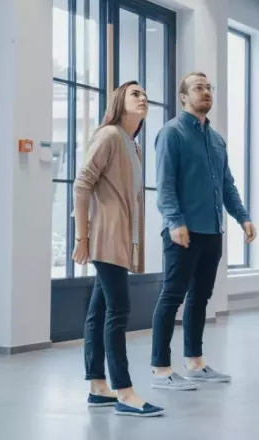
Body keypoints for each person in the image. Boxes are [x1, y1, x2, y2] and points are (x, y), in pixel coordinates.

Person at [150, 72, 257, 390]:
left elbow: (227, 184)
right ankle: (160, 369)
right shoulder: (172, 133)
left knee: (200, 296)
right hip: (182, 231)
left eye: (210, 87)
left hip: (212, 230)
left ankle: (195, 363)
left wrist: (243, 217)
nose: (206, 92)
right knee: (172, 297)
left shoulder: (216, 139)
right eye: (198, 88)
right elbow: (165, 184)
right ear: (184, 96)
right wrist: (175, 221)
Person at [73, 80, 164, 417]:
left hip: (121, 239)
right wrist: (82, 238)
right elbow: (82, 184)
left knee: (100, 311)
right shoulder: (109, 135)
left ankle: (98, 386)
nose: (143, 98)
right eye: (135, 93)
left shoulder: (132, 145)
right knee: (119, 311)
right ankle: (125, 391)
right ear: (119, 102)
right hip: (104, 236)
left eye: (144, 94)